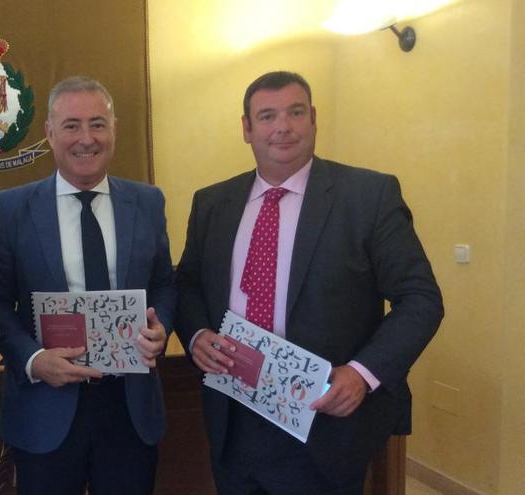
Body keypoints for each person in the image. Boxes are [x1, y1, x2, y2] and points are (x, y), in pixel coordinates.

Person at [174, 71, 443, 494]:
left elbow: (421, 300)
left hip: (324, 423)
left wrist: (361, 373)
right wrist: (196, 334)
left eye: (295, 112)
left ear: (313, 118)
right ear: (246, 128)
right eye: (266, 116)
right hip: (233, 416)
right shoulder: (212, 203)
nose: (283, 127)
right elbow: (186, 283)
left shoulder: (368, 197)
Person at [0, 76, 175, 495]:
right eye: (71, 125)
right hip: (45, 408)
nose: (86, 138)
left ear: (113, 130)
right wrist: (32, 359)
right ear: (50, 133)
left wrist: (162, 331)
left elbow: (164, 284)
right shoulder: (11, 208)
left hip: (130, 408)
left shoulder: (147, 202)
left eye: (97, 124)